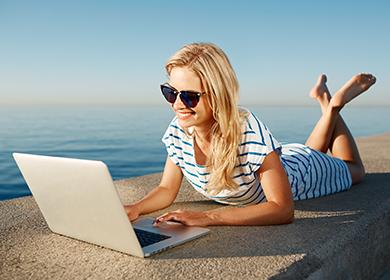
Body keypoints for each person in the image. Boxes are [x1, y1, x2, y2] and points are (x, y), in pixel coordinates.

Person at [124, 42, 376, 227]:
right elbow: (166, 188)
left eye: (189, 96)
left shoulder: (247, 133)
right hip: (286, 160)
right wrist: (135, 209)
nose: (178, 104)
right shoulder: (179, 130)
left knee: (354, 169)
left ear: (218, 94)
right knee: (310, 151)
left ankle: (332, 106)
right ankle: (323, 100)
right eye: (171, 93)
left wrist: (207, 217)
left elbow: (282, 209)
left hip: (302, 174)